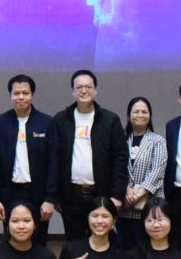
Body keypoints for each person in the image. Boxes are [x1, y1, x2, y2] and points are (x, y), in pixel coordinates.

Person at [53, 69, 129, 226]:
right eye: (79, 87)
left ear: (95, 90)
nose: (84, 91)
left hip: (102, 194)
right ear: (72, 91)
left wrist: (117, 195)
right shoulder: (61, 120)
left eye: (88, 87)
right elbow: (54, 159)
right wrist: (55, 195)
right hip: (70, 196)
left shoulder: (110, 119)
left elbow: (120, 158)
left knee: (101, 237)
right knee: (74, 239)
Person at [0, 74, 55, 226]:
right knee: (12, 235)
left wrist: (50, 198)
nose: (21, 97)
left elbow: (54, 163)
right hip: (9, 194)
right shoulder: (0, 123)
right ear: (10, 95)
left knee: (38, 237)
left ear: (32, 94)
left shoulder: (47, 122)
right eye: (16, 93)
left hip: (38, 195)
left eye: (25, 93)